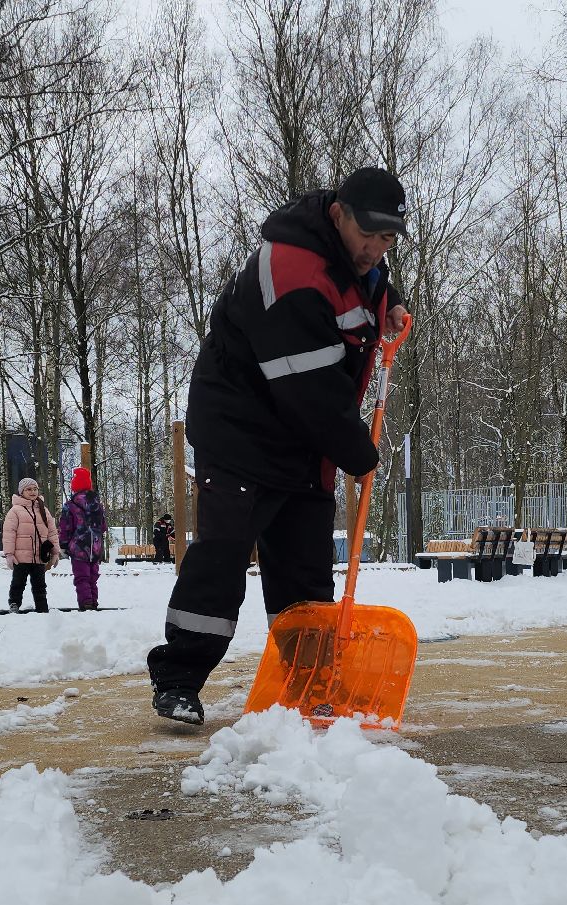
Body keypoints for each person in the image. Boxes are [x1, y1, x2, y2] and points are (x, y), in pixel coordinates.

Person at [145, 166, 411, 724]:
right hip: (242, 433)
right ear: (337, 214)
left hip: (301, 439)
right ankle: (179, 679)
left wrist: (387, 302)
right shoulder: (290, 269)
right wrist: (359, 454)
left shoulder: (354, 258)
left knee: (305, 571)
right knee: (222, 559)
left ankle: (311, 681)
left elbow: (362, 286)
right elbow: (310, 391)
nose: (375, 248)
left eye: (387, 238)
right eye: (368, 234)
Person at [3, 476, 60, 613]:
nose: (33, 492)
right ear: (22, 492)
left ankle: (42, 607)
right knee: (18, 583)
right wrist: (9, 554)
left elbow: (52, 532)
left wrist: (55, 552)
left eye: (35, 489)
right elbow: (9, 533)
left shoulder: (43, 510)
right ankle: (14, 604)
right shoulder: (15, 511)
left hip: (39, 556)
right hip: (21, 557)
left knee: (40, 585)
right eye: (28, 489)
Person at [58, 466, 109, 611]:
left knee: (82, 577)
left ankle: (86, 603)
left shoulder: (70, 505)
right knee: (93, 577)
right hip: (96, 547)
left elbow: (65, 527)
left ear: (74, 487)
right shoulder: (98, 505)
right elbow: (103, 526)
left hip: (78, 547)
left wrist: (64, 545)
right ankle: (93, 602)